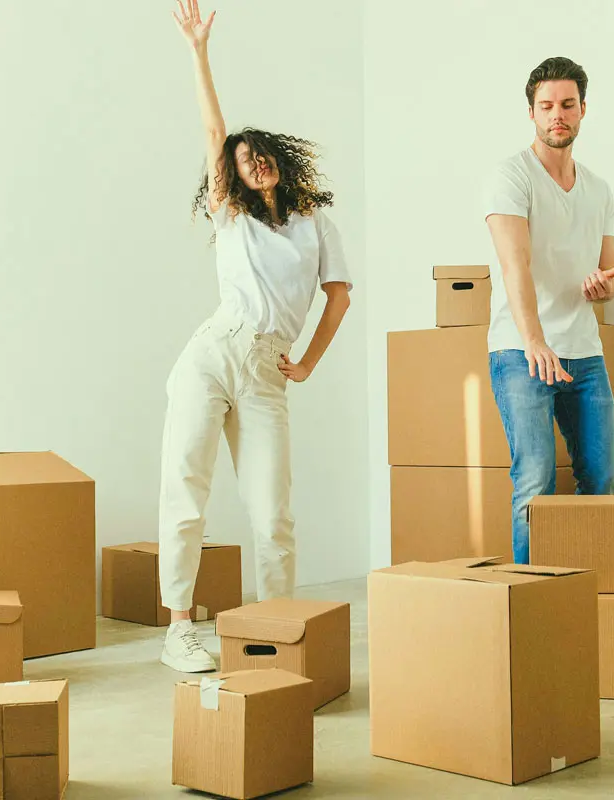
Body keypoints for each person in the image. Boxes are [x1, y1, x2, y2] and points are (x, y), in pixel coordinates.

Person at [157, 0, 352, 673]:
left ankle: (275, 632)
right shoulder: (230, 216)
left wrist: (310, 362)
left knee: (273, 514)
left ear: (277, 161)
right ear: (233, 174)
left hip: (269, 368)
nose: (252, 163)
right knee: (188, 487)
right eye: (242, 160)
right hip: (213, 353)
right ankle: (180, 627)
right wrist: (199, 53)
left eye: (260, 154)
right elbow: (213, 129)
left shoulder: (315, 221)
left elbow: (340, 296)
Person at [484, 56, 614, 565]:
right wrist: (535, 340)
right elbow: (514, 265)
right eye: (547, 106)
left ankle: (599, 595)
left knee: (601, 480)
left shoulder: (599, 190)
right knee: (535, 480)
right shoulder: (510, 177)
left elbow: (612, 272)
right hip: (522, 352)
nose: (556, 114)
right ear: (532, 113)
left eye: (567, 104)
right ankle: (530, 605)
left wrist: (605, 288)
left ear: (583, 110)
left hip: (584, 352)